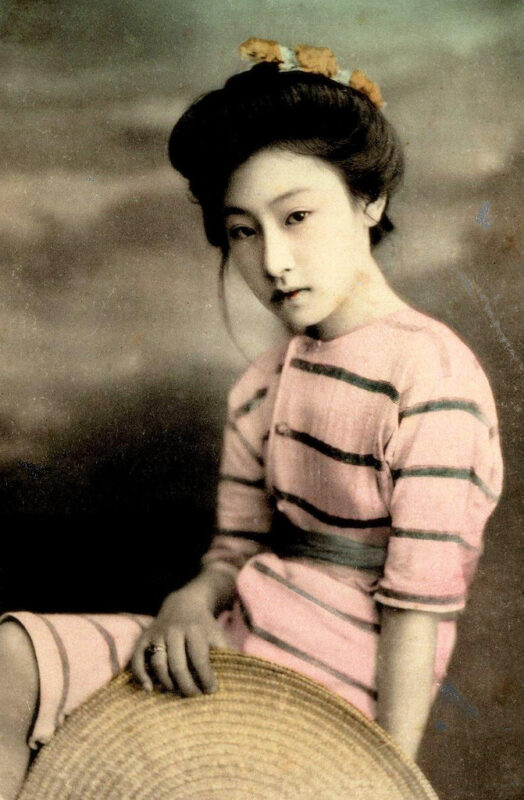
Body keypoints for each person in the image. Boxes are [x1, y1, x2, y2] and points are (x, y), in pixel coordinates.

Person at [0, 38, 503, 798]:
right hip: (234, 645)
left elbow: (417, 611)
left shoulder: (431, 377)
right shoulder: (262, 385)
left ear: (369, 201)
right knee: (13, 658)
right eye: (243, 229)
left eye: (296, 216)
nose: (273, 260)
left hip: (334, 688)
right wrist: (187, 603)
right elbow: (234, 551)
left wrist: (387, 775)